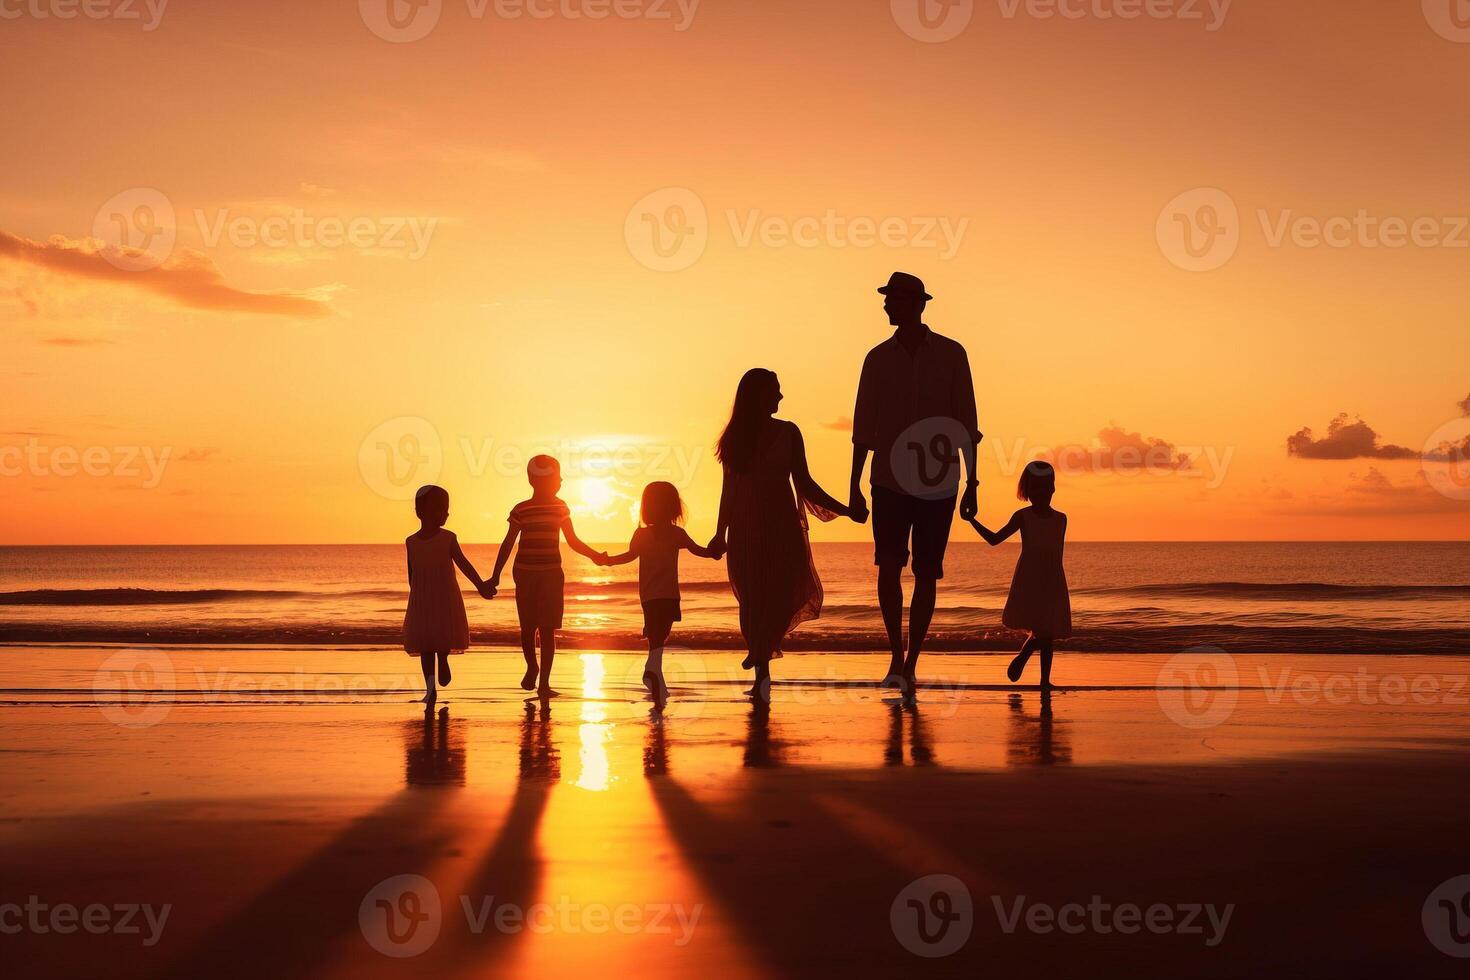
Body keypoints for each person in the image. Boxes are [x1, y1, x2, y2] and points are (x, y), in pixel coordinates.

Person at [849, 271, 981, 694]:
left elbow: (967, 422)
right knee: (888, 567)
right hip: (887, 478)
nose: (887, 306)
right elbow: (862, 427)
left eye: (894, 300)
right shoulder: (876, 358)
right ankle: (894, 654)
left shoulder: (951, 354)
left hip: (939, 482)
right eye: (887, 299)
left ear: (917, 304)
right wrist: (853, 486)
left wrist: (973, 482)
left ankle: (912, 659)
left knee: (927, 572)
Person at [709, 368, 850, 701]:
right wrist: (719, 533)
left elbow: (804, 482)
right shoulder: (735, 438)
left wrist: (842, 509)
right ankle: (761, 673)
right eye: (775, 390)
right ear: (758, 395)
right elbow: (728, 490)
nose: (781, 397)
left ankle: (760, 648)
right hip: (745, 526)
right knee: (752, 597)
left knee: (780, 592)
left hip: (781, 525)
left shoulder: (789, 432)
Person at [487, 456, 608, 697]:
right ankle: (532, 667)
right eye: (557, 477)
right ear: (536, 480)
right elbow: (509, 541)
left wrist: (595, 556)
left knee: (547, 628)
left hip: (551, 574)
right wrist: (495, 575)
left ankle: (544, 683)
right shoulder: (521, 509)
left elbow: (572, 541)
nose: (561, 480)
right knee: (528, 627)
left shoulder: (560, 508)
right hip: (525, 573)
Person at [598, 481, 721, 706]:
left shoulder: (676, 534)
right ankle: (653, 672)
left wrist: (715, 552)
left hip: (664, 594)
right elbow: (628, 555)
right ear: (674, 507)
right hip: (655, 594)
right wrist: (608, 562)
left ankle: (653, 670)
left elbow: (699, 550)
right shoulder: (647, 534)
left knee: (661, 633)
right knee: (657, 634)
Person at [966, 460, 1071, 688]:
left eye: (1045, 488)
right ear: (1027, 491)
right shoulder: (1023, 516)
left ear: (1053, 488)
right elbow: (995, 539)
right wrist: (972, 520)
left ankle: (1043, 678)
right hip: (1030, 578)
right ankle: (1028, 660)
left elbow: (1056, 554)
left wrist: (1056, 581)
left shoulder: (1061, 519)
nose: (1041, 493)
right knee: (1043, 631)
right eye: (1035, 488)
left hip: (1052, 578)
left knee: (1048, 632)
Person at [403, 485, 494, 703]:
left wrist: (480, 585)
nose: (445, 513)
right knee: (425, 645)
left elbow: (464, 564)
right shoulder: (411, 542)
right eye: (440, 508)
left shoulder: (448, 538)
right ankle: (430, 689)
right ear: (420, 512)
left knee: (443, 634)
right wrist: (416, 599)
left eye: (446, 509)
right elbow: (411, 573)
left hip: (444, 596)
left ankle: (443, 659)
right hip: (422, 599)